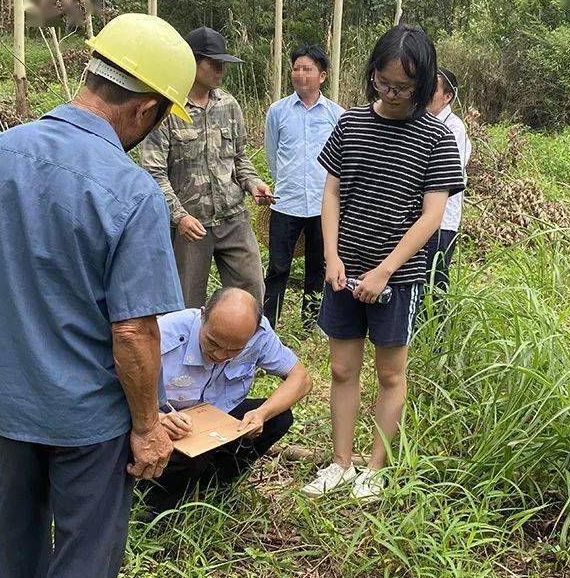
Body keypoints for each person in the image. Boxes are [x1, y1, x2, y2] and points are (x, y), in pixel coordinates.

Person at [0, 14, 194, 578]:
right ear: (146, 110)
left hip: (9, 404)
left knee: (19, 544)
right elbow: (134, 332)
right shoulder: (131, 192)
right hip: (89, 421)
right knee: (82, 569)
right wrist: (145, 428)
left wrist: (16, 354)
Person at [301, 25, 464, 501]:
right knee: (341, 368)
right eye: (383, 83)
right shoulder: (350, 124)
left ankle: (374, 468)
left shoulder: (436, 136)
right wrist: (331, 255)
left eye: (403, 88)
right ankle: (340, 462)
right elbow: (331, 192)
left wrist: (385, 269)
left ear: (423, 83)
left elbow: (433, 215)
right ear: (371, 75)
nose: (391, 95)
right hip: (344, 269)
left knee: (391, 374)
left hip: (399, 277)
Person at [143, 287, 312, 514]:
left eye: (235, 349)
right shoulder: (164, 334)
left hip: (219, 418)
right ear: (203, 315)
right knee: (191, 454)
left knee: (279, 417)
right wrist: (156, 420)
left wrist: (262, 414)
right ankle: (157, 508)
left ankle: (211, 486)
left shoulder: (258, 334)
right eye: (213, 342)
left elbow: (301, 378)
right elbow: (113, 391)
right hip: (171, 428)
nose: (221, 355)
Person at [141, 26, 274, 308]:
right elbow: (153, 173)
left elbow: (239, 158)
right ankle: (192, 352)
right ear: (192, 62)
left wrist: (253, 184)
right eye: (214, 63)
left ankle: (248, 350)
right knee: (186, 304)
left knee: (252, 292)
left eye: (223, 64)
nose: (220, 70)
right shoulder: (167, 109)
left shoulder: (228, 104)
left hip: (233, 219)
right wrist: (179, 217)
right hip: (191, 225)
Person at [263, 44, 345, 330]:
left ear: (322, 76)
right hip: (286, 203)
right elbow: (272, 155)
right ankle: (268, 324)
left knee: (317, 268)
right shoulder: (278, 111)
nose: (300, 74)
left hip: (323, 207)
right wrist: (286, 181)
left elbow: (341, 162)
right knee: (278, 268)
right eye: (296, 68)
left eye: (307, 69)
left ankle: (311, 324)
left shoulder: (337, 115)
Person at [424, 66, 472, 292]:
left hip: (442, 221)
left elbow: (445, 174)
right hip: (421, 217)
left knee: (435, 278)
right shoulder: (423, 122)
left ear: (447, 96)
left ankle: (438, 326)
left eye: (432, 89)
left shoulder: (454, 128)